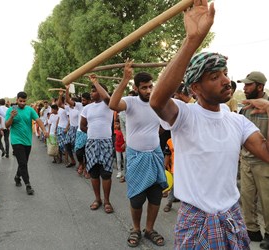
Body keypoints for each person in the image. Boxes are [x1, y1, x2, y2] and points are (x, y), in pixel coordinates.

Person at [149, 0, 269, 248]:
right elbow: (158, 100)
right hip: (196, 222)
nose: (226, 81)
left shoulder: (238, 122)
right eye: (215, 77)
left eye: (225, 73)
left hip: (232, 218)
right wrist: (192, 41)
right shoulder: (185, 115)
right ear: (195, 88)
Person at [109, 63, 167, 247]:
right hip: (135, 156)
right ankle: (136, 229)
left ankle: (149, 229)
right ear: (136, 88)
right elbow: (112, 104)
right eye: (144, 87)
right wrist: (125, 79)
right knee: (137, 197)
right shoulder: (130, 102)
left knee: (155, 196)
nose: (148, 90)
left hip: (155, 155)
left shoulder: (157, 102)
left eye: (150, 86)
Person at [238, 71, 269, 248]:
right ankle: (252, 230)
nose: (244, 88)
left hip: (264, 162)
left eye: (248, 85)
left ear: (259, 86)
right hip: (246, 160)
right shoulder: (244, 109)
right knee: (247, 197)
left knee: (267, 200)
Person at [80, 75, 114, 214]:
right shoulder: (87, 108)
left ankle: (107, 201)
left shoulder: (109, 104)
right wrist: (93, 133)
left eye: (95, 90)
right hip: (91, 143)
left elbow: (107, 98)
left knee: (106, 173)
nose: (92, 93)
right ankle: (97, 199)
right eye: (92, 90)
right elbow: (82, 126)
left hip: (106, 142)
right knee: (94, 172)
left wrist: (96, 82)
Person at [5, 91, 48, 195]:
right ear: (17, 100)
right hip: (16, 140)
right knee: (23, 163)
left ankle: (17, 176)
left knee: (23, 162)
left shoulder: (29, 109)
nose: (23, 103)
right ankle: (28, 185)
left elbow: (38, 120)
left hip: (27, 141)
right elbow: (6, 125)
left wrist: (44, 130)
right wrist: (11, 117)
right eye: (20, 101)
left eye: (24, 101)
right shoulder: (11, 110)